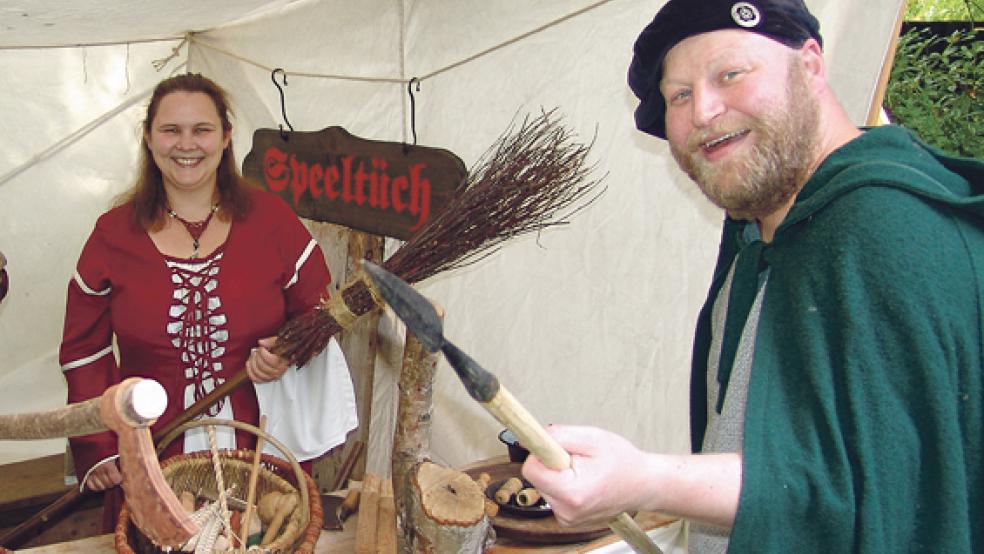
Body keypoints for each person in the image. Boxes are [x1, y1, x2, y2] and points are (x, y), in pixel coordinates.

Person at [522, 1, 984, 552]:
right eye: (679, 95)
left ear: (810, 65)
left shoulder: (885, 231)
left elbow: (884, 501)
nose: (704, 111)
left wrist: (649, 479)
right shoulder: (759, 234)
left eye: (730, 74)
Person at [59, 73, 356, 532]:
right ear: (148, 137)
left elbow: (319, 315)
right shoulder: (112, 235)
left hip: (262, 454)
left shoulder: (273, 222)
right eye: (171, 130)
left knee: (263, 538)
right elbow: (84, 350)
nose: (186, 144)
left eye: (202, 129)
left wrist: (285, 351)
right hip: (152, 453)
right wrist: (99, 447)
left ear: (226, 137)